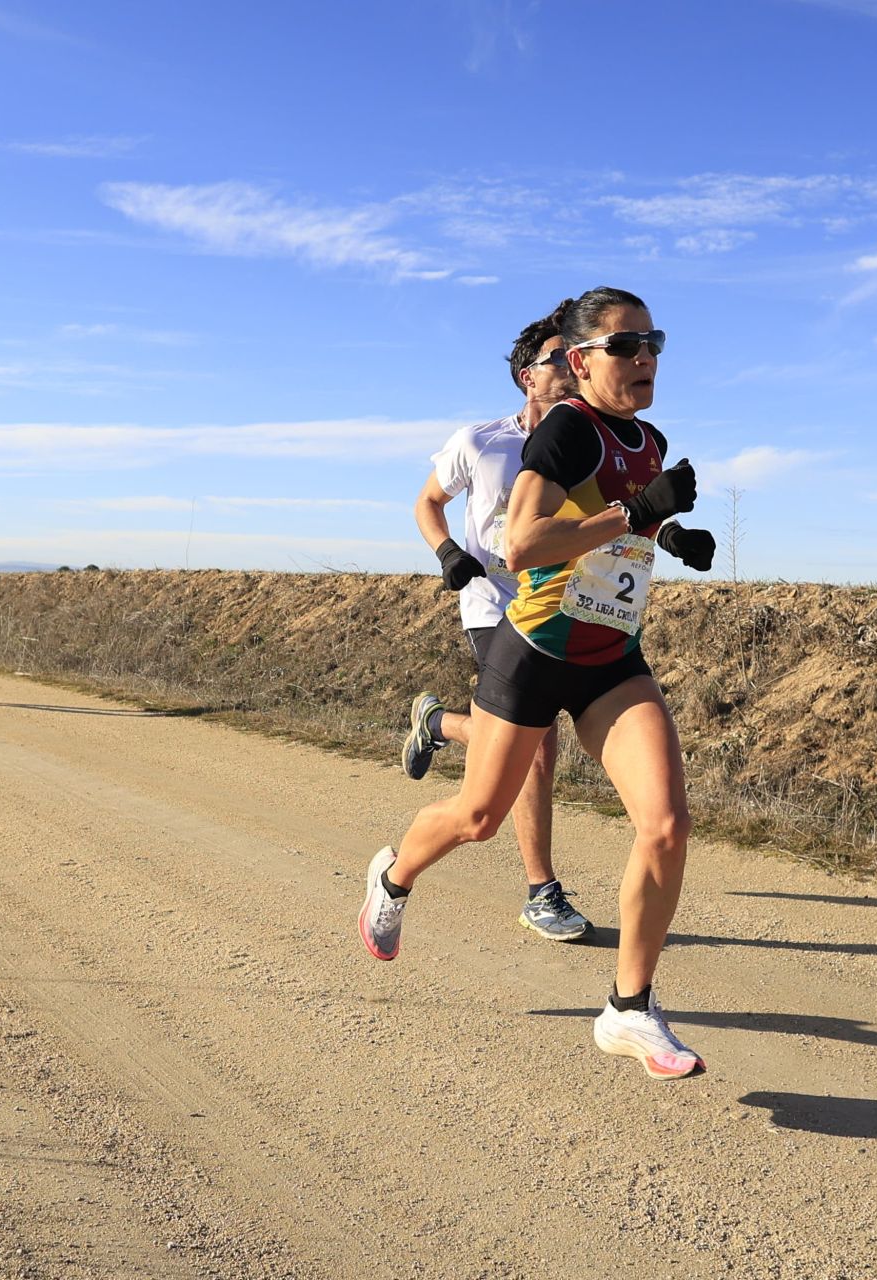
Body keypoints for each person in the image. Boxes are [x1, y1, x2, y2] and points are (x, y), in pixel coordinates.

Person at [358, 287, 718, 1081]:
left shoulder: (648, 438)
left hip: (611, 655)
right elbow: (522, 545)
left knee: (666, 823)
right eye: (625, 346)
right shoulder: (565, 429)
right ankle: (394, 875)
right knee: (479, 816)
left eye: (653, 340)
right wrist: (632, 514)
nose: (645, 356)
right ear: (581, 360)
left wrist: (672, 531)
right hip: (537, 647)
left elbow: (632, 521)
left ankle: (629, 1009)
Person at [400, 307, 592, 943]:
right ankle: (542, 890)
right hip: (493, 604)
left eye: (577, 358)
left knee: (506, 741)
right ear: (525, 377)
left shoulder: (591, 442)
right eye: (557, 361)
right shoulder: (480, 441)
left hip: (566, 604)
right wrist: (447, 552)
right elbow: (428, 501)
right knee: (536, 744)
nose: (571, 370)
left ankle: (437, 723)